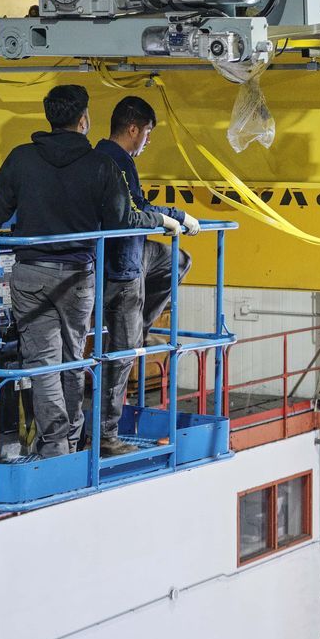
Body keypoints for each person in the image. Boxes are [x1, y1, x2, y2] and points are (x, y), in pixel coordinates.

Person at [0, 84, 182, 458]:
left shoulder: (21, 159)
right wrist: (164, 219)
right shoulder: (100, 165)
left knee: (41, 364)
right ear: (83, 120)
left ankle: (55, 445)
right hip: (77, 279)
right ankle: (71, 440)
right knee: (74, 361)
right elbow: (123, 220)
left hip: (30, 274)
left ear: (50, 118)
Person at [93, 95, 199, 455]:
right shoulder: (114, 162)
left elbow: (137, 207)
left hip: (135, 252)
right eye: (148, 133)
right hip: (120, 265)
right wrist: (169, 218)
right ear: (133, 128)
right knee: (121, 354)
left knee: (177, 260)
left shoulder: (113, 159)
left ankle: (140, 326)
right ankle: (106, 436)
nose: (148, 141)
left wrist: (174, 216)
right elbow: (129, 215)